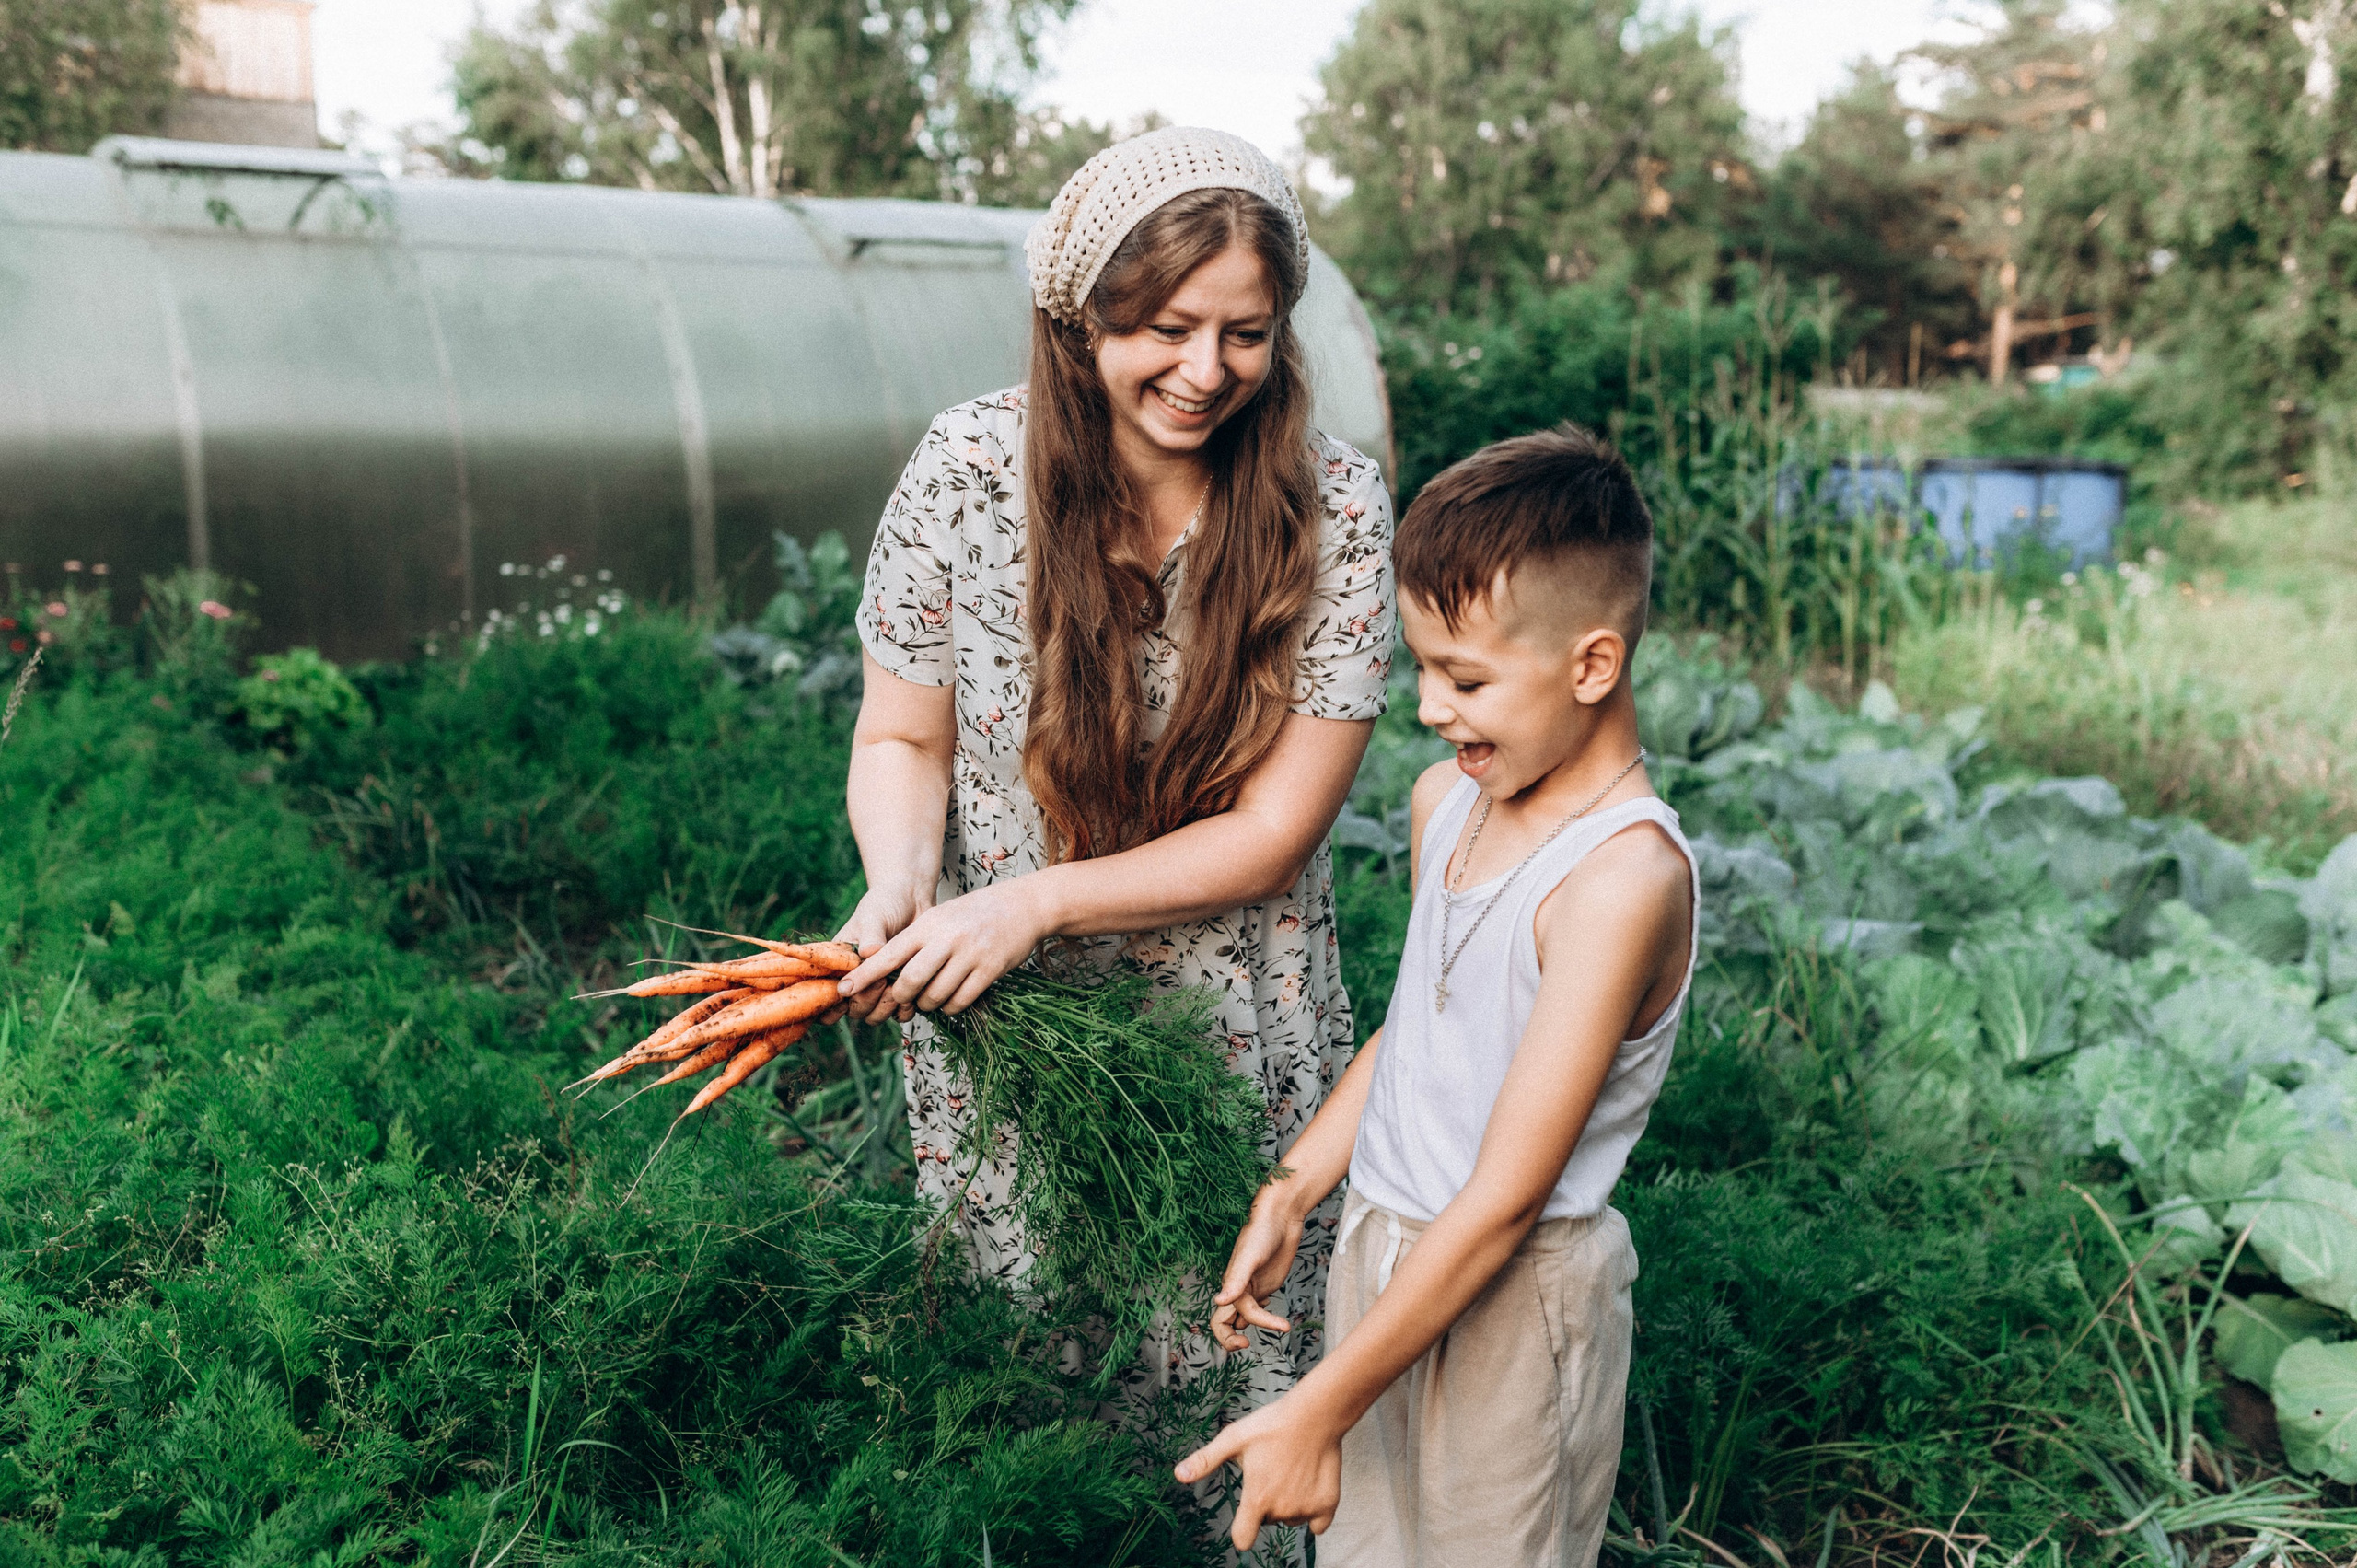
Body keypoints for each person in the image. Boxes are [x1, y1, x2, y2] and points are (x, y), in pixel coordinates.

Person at [833, 127, 1396, 1417]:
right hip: (1011, 1018)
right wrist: (901, 883)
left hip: (1229, 1029)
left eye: (1246, 333)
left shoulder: (1340, 510)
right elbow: (900, 738)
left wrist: (1028, 901)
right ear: (1082, 315)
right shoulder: (968, 474)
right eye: (1167, 327)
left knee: (1230, 1379)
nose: (1207, 371)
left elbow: (1274, 832)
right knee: (1035, 1397)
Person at [1174, 427, 1700, 1566]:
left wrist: (1320, 1401)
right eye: (1419, 666)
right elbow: (1418, 1027)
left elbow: (1507, 1200)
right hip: (1381, 1250)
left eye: (1464, 678)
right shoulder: (1444, 802)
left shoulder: (1620, 880)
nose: (1427, 707)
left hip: (1519, 1297)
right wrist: (1298, 1185)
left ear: (1591, 665)